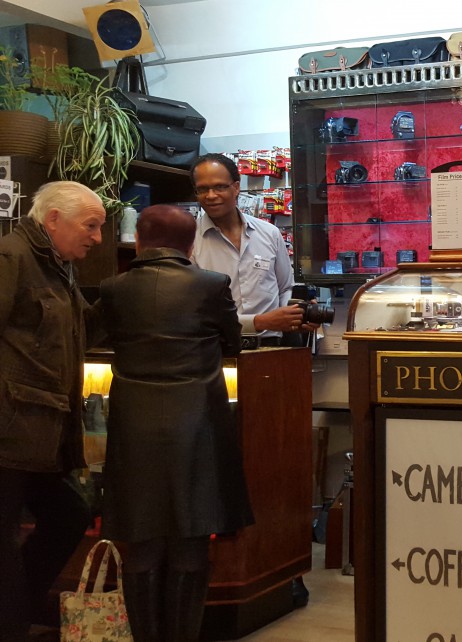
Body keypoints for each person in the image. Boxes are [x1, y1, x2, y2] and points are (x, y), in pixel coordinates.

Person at [95, 205, 253, 642]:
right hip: (198, 426)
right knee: (191, 541)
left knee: (142, 545)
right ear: (190, 245)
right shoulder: (211, 285)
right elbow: (232, 340)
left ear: (140, 241)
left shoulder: (112, 289)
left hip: (134, 430)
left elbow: (96, 337)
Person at [0, 181, 105, 641]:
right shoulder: (12, 258)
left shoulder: (57, 267)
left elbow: (86, 326)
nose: (98, 237)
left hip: (40, 435)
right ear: (53, 220)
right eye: (91, 225)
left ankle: (16, 612)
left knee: (68, 516)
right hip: (8, 431)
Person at [189, 152, 311, 344]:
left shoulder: (269, 233)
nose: (211, 196)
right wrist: (259, 322)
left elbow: (285, 288)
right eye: (202, 189)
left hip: (271, 348)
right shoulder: (190, 241)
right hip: (217, 349)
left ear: (236, 187)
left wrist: (296, 315)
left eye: (220, 187)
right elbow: (194, 310)